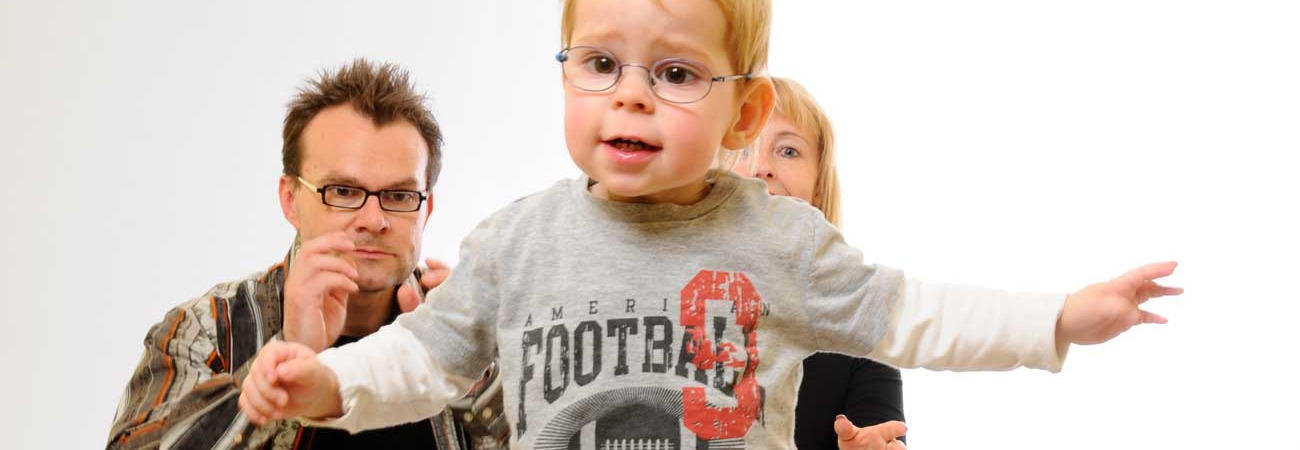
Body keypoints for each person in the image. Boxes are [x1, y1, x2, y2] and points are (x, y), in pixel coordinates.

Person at [236, 1, 1182, 449]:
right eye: (600, 64)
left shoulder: (780, 242)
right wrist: (326, 380)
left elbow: (915, 316)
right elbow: (422, 359)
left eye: (676, 74)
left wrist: (1057, 317)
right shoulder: (513, 242)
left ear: (741, 112)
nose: (632, 99)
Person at [106, 59, 507, 449]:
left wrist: (469, 369)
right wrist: (285, 360)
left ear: (426, 210)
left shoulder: (486, 337)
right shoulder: (207, 331)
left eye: (399, 195)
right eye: (344, 192)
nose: (373, 218)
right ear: (290, 200)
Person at [734, 77, 905, 449]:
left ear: (817, 187)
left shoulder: (859, 327)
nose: (762, 167)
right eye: (742, 148)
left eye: (789, 151)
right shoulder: (654, 307)